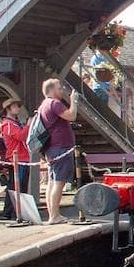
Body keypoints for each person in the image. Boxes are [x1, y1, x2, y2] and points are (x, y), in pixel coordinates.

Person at [38, 78, 79, 224]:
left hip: (52, 148)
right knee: (59, 182)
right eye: (59, 88)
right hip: (60, 148)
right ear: (51, 90)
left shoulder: (44, 104)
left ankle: (52, 214)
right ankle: (54, 215)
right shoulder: (54, 103)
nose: (62, 90)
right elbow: (71, 116)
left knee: (52, 181)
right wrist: (73, 101)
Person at [0, 98, 30, 220]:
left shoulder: (14, 123)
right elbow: (20, 136)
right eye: (15, 106)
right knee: (16, 186)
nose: (18, 108)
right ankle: (11, 212)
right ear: (8, 109)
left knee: (20, 185)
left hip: (22, 157)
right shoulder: (8, 124)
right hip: (17, 158)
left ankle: (16, 211)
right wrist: (28, 126)